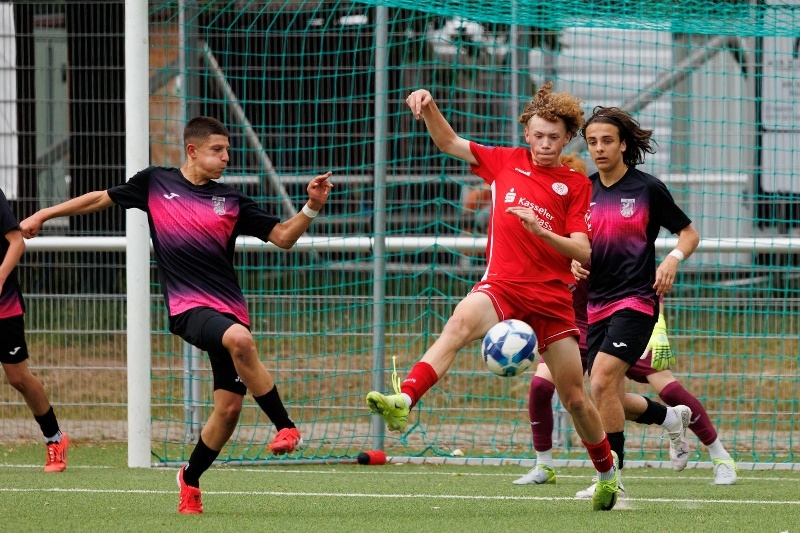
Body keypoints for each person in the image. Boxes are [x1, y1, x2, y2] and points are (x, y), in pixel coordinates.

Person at [20, 116, 333, 514]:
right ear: (192, 150)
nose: (226, 157)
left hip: (229, 309)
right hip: (189, 308)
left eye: (228, 150)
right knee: (240, 339)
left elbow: (284, 237)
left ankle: (190, 478)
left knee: (229, 410)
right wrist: (44, 214)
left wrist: (312, 205)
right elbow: (99, 198)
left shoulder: (232, 200)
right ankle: (286, 426)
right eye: (218, 150)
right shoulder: (155, 182)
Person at [366, 83, 620, 511]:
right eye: (538, 135)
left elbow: (583, 250)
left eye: (553, 137)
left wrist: (541, 231)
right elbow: (449, 142)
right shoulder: (505, 161)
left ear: (566, 139)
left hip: (551, 298)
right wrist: (429, 104)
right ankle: (404, 399)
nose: (545, 144)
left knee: (576, 399)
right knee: (459, 325)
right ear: (526, 134)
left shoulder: (576, 184)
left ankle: (607, 475)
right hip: (502, 284)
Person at [572, 106, 701, 496]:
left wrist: (672, 259)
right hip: (596, 306)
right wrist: (573, 262)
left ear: (624, 144)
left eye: (607, 140)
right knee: (606, 394)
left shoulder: (647, 189)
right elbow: (578, 245)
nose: (599, 148)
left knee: (600, 381)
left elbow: (689, 234)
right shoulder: (584, 192)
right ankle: (670, 418)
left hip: (637, 301)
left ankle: (612, 479)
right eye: (592, 142)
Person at [514, 278, 738, 492]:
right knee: (543, 387)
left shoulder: (610, 250)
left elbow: (646, 276)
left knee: (667, 388)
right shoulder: (561, 249)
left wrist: (659, 328)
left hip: (619, 320)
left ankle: (721, 457)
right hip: (574, 325)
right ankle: (544, 465)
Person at [0, 187, 69, 472]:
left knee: (18, 378)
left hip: (4, 306)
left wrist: (0, 278)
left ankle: (54, 438)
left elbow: (17, 242)